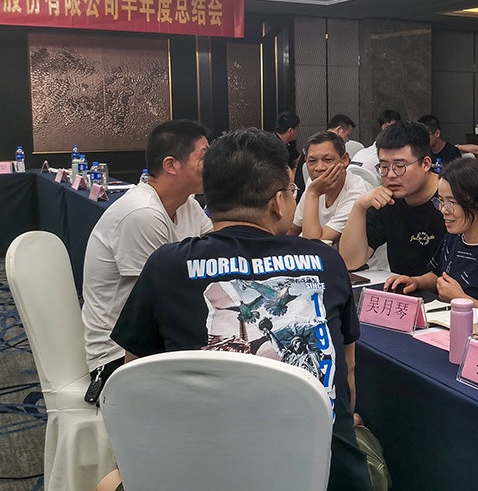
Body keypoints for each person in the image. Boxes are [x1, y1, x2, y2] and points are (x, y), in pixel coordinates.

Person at [110, 128, 373, 491]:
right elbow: (347, 371)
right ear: (278, 202)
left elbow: (136, 381)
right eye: (292, 191)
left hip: (204, 476)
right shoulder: (326, 261)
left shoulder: (165, 266)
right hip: (326, 476)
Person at [81, 120, 213, 386]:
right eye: (204, 157)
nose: (212, 165)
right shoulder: (142, 214)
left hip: (160, 339)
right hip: (120, 355)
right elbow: (155, 307)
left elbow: (216, 252)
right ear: (171, 165)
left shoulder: (187, 204)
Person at [385, 158, 478, 309]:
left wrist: (461, 299)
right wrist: (416, 282)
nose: (443, 210)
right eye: (441, 201)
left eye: (452, 202)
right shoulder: (456, 234)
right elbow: (439, 276)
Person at [340, 120, 444, 275]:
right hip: (402, 288)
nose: (390, 175)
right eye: (383, 167)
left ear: (426, 164)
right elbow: (350, 262)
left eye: (400, 166)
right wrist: (359, 206)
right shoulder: (387, 200)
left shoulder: (452, 198)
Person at [289, 131, 370, 244]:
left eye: (327, 160)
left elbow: (315, 245)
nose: (319, 168)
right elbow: (292, 229)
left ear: (345, 159)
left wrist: (313, 194)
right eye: (312, 161)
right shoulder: (315, 183)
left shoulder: (357, 194)